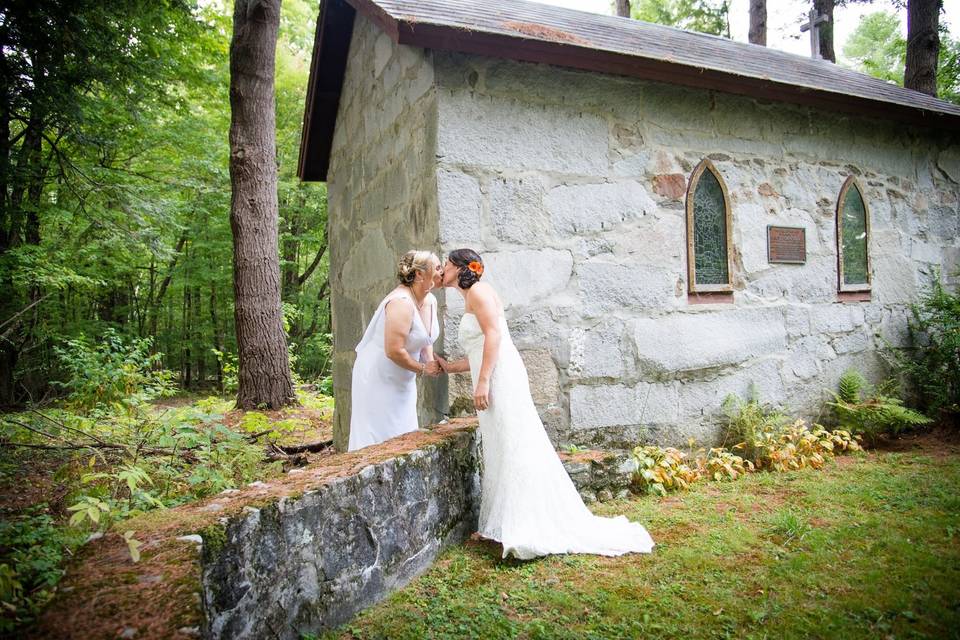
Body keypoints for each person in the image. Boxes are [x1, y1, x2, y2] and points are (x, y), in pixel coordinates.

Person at [437, 248, 655, 559]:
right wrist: (449, 367)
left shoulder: (479, 292)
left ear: (460, 268)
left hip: (501, 378)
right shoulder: (470, 296)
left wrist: (483, 381)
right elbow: (479, 349)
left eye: (445, 264)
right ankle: (499, 524)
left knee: (514, 445)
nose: (442, 270)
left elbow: (495, 337)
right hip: (492, 373)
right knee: (500, 445)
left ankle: (523, 526)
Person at [348, 250, 443, 452]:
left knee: (403, 432)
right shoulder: (401, 303)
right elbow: (393, 350)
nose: (441, 272)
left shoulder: (430, 300)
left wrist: (429, 359)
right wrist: (423, 369)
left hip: (403, 378)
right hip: (378, 376)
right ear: (419, 274)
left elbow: (425, 337)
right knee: (377, 438)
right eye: (437, 267)